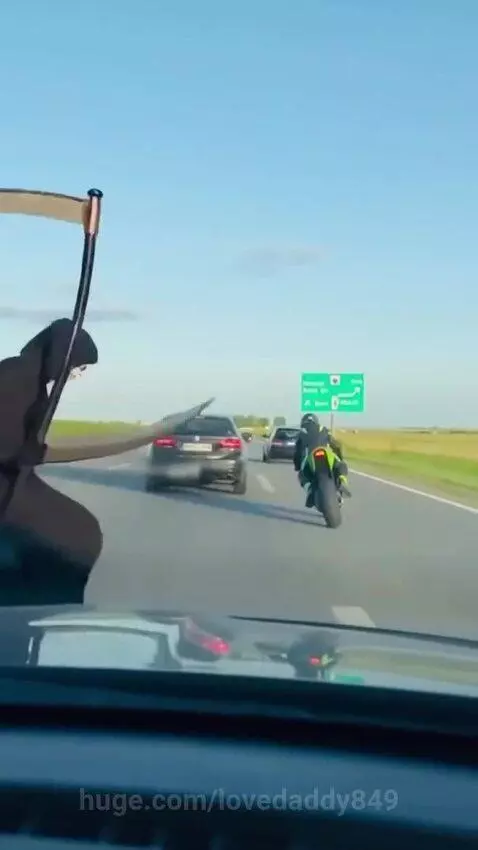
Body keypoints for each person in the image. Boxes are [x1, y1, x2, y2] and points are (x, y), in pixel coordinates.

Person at [293, 413, 350, 508]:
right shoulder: (323, 428)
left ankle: (310, 490)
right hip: (326, 454)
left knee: (302, 475)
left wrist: (297, 466)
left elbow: (297, 453)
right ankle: (342, 480)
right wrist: (339, 458)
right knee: (340, 465)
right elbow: (337, 445)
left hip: (310, 457)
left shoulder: (301, 432)